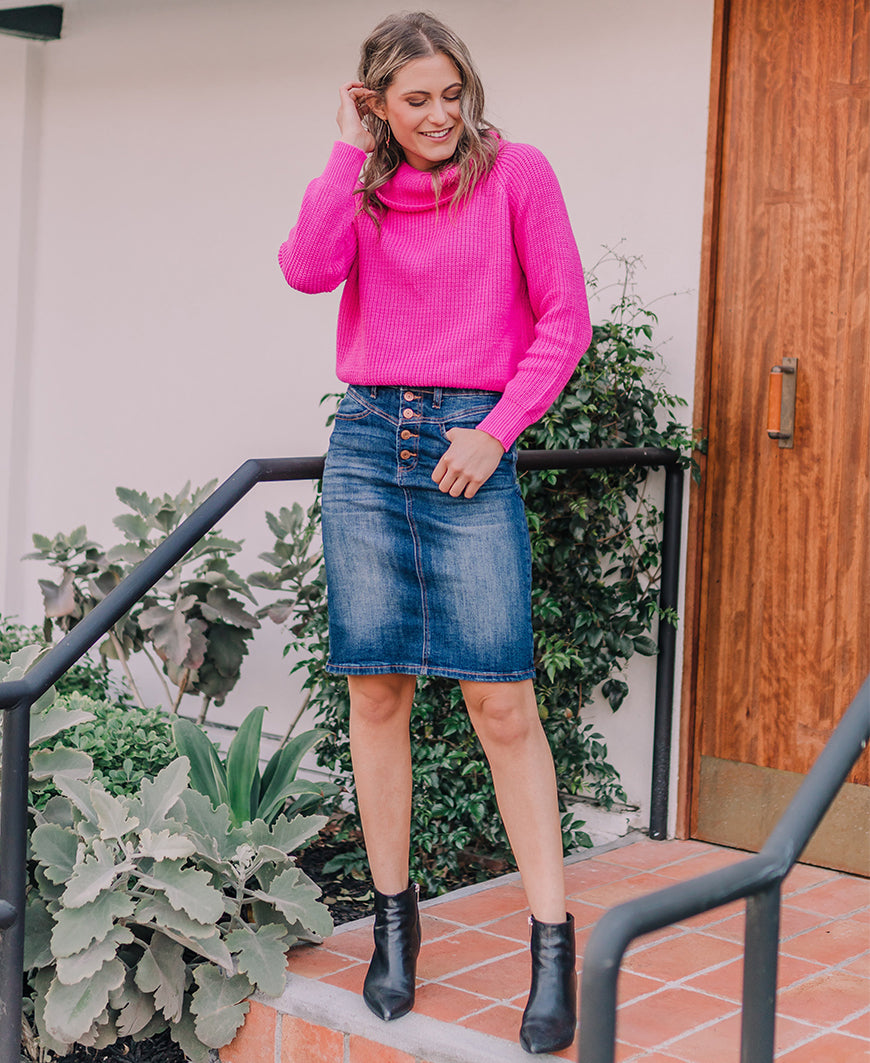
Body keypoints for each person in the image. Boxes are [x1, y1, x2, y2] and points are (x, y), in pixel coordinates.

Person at [279, 12, 591, 1054]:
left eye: (453, 91)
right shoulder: (362, 188)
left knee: (501, 700)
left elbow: (563, 320)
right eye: (417, 98)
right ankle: (394, 926)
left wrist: (497, 433)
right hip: (369, 447)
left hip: (470, 446)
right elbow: (307, 270)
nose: (443, 113)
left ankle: (554, 942)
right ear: (377, 104)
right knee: (378, 688)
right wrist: (341, 148)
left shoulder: (518, 173)